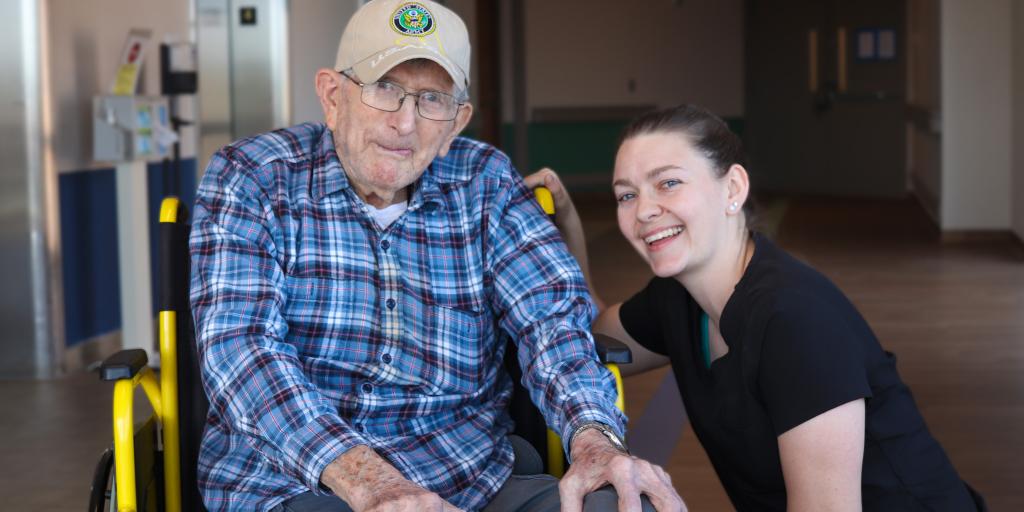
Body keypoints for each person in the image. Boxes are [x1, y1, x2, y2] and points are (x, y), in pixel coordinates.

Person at [189, 1, 684, 511]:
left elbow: (552, 322)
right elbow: (240, 349)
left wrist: (596, 440)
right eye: (385, 89)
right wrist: (372, 482)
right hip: (298, 483)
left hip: (469, 479)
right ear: (332, 96)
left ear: (455, 123)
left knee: (625, 503)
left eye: (432, 99)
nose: (406, 123)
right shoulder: (253, 177)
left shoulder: (485, 181)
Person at [526, 104, 983, 511]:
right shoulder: (678, 298)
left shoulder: (794, 320)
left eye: (668, 183)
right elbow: (589, 333)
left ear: (733, 188)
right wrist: (564, 223)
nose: (644, 210)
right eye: (626, 194)